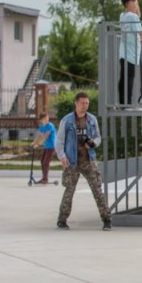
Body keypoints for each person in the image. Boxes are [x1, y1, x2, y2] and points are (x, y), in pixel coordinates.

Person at [55, 92, 112, 231]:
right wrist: (62, 156)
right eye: (82, 103)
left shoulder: (91, 119)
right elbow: (59, 141)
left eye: (87, 103)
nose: (85, 106)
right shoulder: (67, 120)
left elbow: (98, 137)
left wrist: (93, 143)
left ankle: (107, 219)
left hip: (88, 160)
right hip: (72, 161)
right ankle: (62, 220)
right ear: (76, 103)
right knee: (69, 191)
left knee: (97, 190)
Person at [118, 0, 142, 109]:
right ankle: (128, 104)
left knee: (123, 78)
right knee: (129, 79)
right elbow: (141, 33)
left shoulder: (122, 15)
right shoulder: (133, 17)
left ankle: (123, 103)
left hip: (123, 52)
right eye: (136, 3)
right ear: (130, 4)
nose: (137, 6)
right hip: (131, 53)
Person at [31, 112, 56, 184]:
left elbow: (45, 136)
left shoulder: (50, 125)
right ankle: (44, 178)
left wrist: (37, 144)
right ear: (41, 120)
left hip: (52, 146)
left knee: (46, 162)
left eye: (47, 118)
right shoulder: (42, 126)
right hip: (47, 146)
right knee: (42, 161)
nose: (46, 119)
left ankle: (45, 179)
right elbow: (39, 135)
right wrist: (34, 142)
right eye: (44, 118)